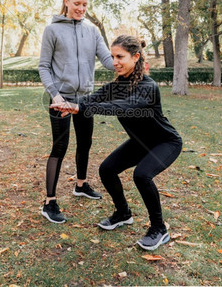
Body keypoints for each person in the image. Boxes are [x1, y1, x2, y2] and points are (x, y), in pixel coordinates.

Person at [50, 35, 182, 251]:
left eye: (120, 56)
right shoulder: (117, 85)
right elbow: (93, 99)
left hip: (165, 142)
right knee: (107, 170)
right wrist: (69, 105)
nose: (115, 62)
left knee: (142, 175)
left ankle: (159, 229)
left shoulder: (148, 87)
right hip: (141, 142)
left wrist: (81, 109)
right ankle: (123, 213)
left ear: (136, 57)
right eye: (112, 57)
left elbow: (125, 106)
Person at [38, 0, 114, 224]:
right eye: (77, 3)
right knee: (60, 147)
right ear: (66, 2)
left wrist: (128, 63)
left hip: (85, 99)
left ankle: (80, 185)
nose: (81, 8)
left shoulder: (92, 31)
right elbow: (43, 66)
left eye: (85, 4)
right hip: (61, 98)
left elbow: (107, 59)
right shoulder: (52, 30)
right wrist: (55, 94)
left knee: (85, 143)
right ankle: (49, 202)